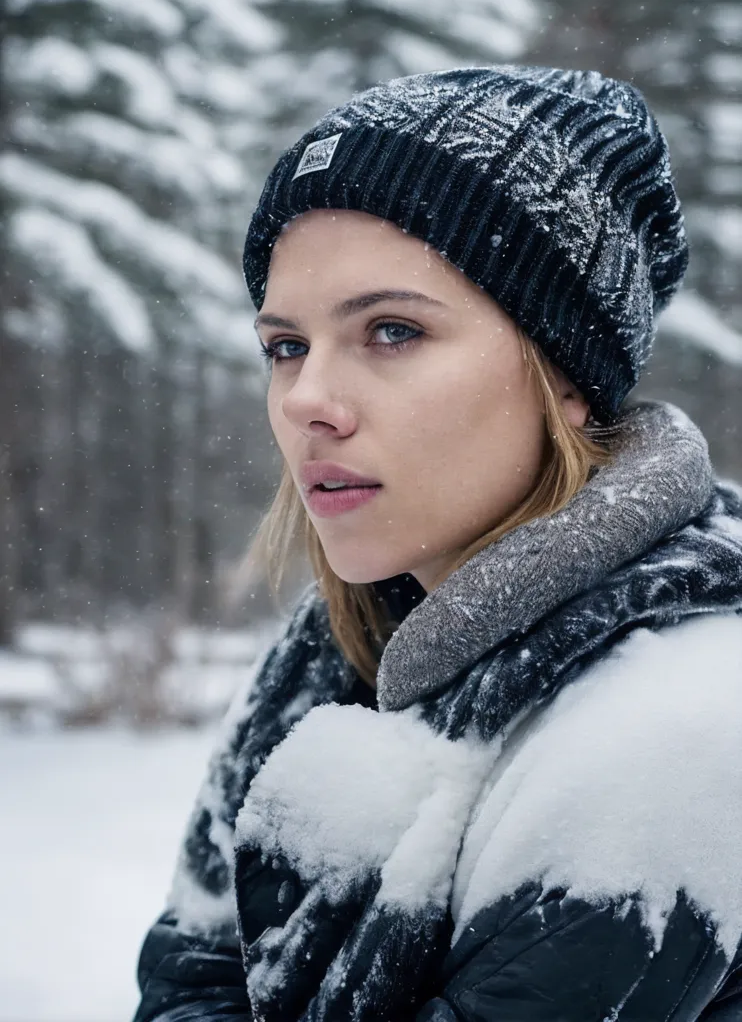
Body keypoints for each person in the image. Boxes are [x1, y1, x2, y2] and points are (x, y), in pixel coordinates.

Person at [132, 66, 742, 1022]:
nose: (306, 403)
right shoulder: (326, 659)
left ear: (566, 374)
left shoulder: (683, 722)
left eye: (390, 330)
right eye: (286, 345)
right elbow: (190, 977)